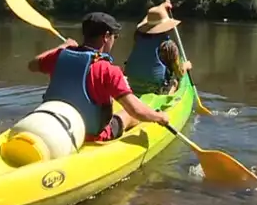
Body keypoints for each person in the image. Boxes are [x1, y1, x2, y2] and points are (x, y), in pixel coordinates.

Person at [27, 12, 169, 142]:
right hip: (94, 135)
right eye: (114, 37)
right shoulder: (108, 70)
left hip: (59, 126)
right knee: (128, 114)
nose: (114, 40)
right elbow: (136, 111)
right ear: (106, 36)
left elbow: (32, 65)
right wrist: (160, 117)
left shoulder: (59, 56)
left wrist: (61, 47)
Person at [123, 0, 193, 96]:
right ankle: (168, 92)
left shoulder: (138, 37)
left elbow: (146, 21)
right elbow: (180, 73)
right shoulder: (169, 46)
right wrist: (187, 65)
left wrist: (162, 6)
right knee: (175, 82)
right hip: (154, 90)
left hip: (131, 85)